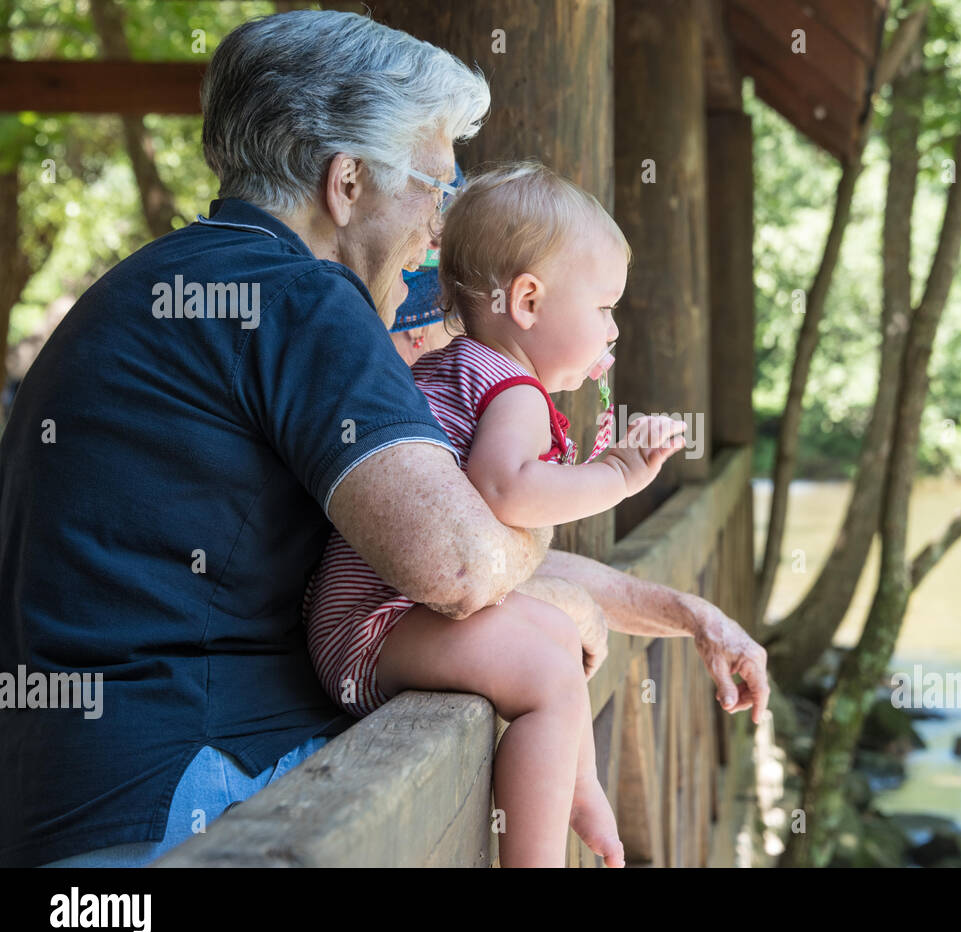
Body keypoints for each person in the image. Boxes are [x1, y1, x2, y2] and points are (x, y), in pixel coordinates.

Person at [2, 9, 768, 869]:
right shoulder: (299, 295)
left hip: (75, 807)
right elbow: (462, 562)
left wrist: (685, 614)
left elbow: (440, 545)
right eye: (436, 188)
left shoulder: (153, 285)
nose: (442, 229)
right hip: (192, 803)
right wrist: (558, 576)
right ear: (348, 182)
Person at [305, 162, 688, 867]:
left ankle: (580, 791)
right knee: (547, 671)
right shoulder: (513, 393)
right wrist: (620, 472)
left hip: (361, 614)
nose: (612, 331)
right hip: (374, 630)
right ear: (530, 301)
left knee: (553, 633)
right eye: (604, 308)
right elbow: (506, 490)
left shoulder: (459, 365)